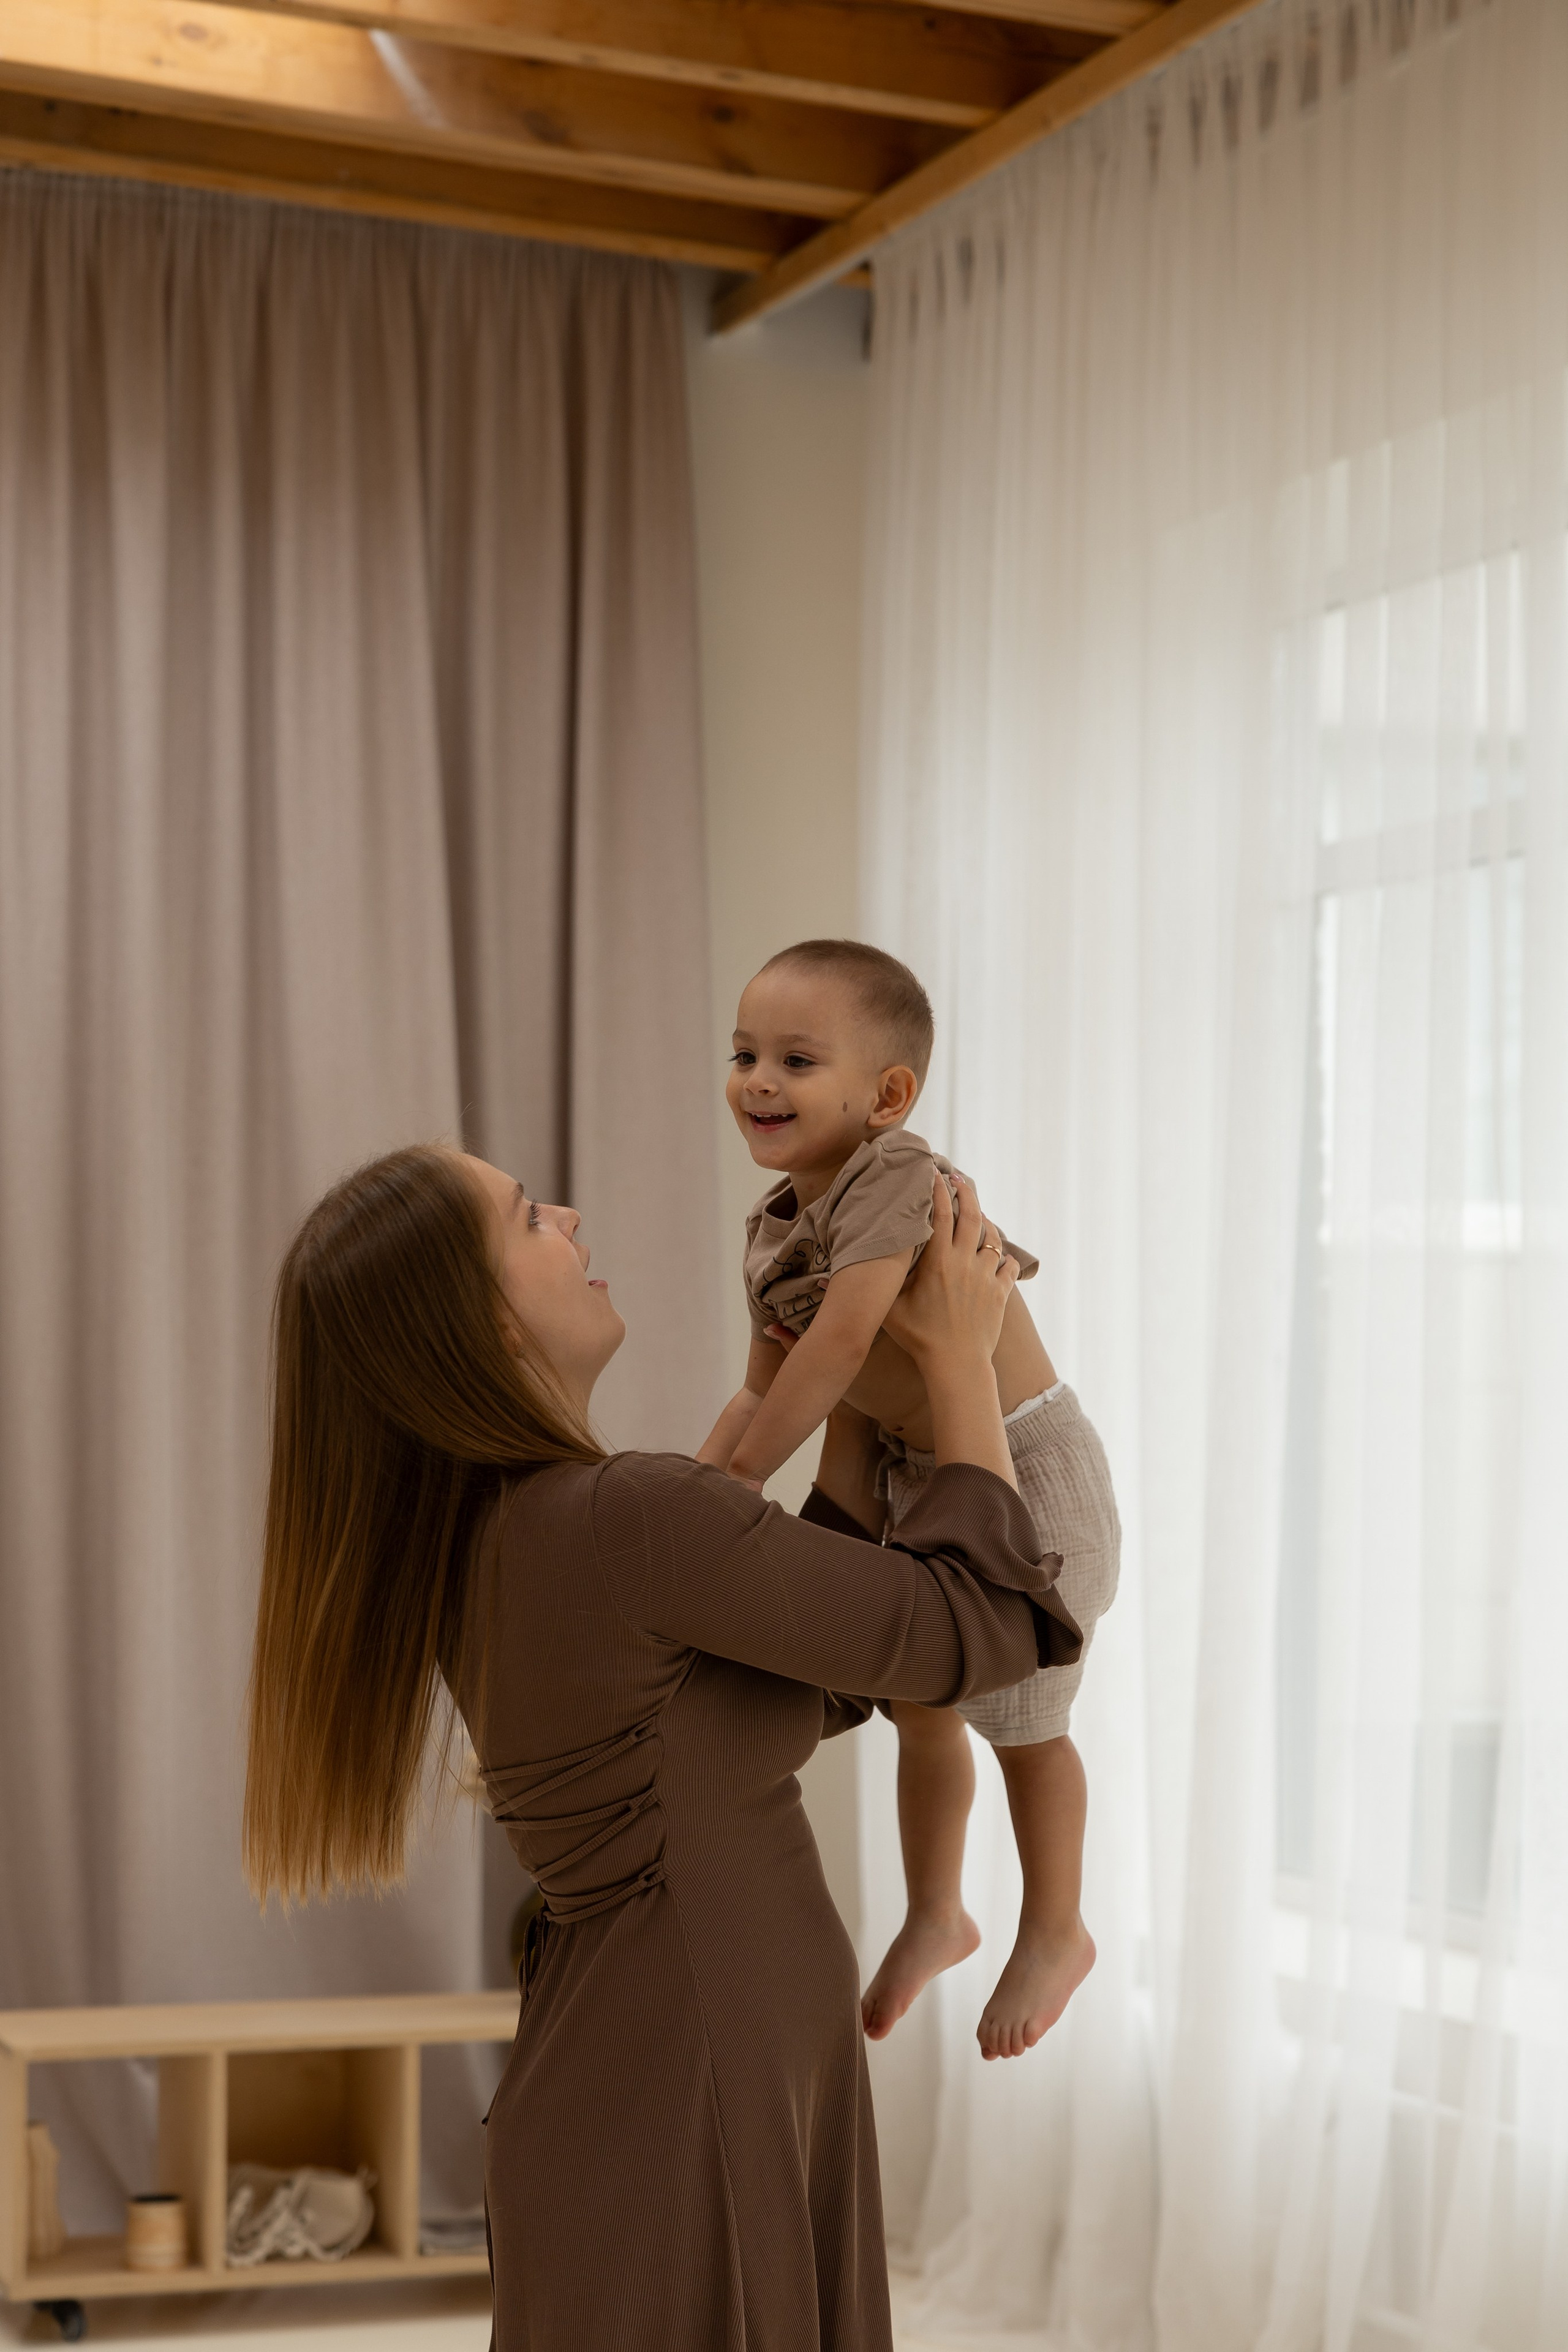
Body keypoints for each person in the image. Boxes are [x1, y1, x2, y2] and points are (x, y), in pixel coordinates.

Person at [243, 1139, 1078, 2352]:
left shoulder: (508, 1539)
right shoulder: (621, 1517)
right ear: (468, 1324)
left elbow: (806, 1683)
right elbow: (979, 1632)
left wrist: (840, 1395)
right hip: (695, 2072)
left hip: (647, 2067)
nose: (571, 1218)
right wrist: (956, 1360)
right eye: (529, 1218)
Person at [699, 940, 1120, 2059]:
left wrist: (742, 1482)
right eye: (745, 1053)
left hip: (1026, 1469)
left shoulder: (897, 1179)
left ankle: (1057, 1926)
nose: (758, 1080)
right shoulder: (775, 1222)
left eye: (796, 1059)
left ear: (888, 1098)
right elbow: (762, 1383)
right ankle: (939, 1909)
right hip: (912, 1466)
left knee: (1027, 1721)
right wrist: (699, 1491)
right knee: (919, 1707)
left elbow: (837, 1346)